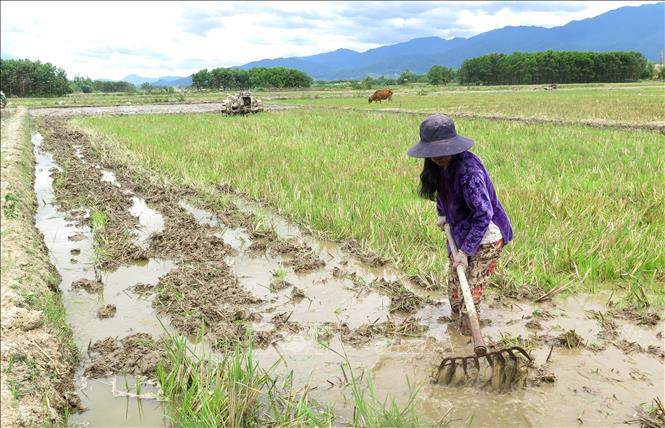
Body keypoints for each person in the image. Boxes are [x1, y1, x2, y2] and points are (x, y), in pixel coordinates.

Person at [407, 114, 513, 336]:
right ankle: (456, 336)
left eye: (442, 151)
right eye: (433, 153)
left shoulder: (469, 171)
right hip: (460, 235)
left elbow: (484, 214)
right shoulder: (440, 166)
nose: (437, 157)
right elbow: (443, 194)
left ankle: (466, 343)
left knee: (469, 300)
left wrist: (465, 252)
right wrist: (442, 214)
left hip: (486, 239)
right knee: (455, 297)